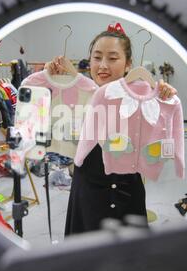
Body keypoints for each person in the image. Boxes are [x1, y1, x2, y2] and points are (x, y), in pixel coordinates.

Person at [45, 24, 177, 235]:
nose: (103, 65)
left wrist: (164, 98)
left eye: (113, 58)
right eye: (97, 58)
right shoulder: (82, 93)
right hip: (87, 189)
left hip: (126, 190)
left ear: (128, 64)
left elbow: (161, 143)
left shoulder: (142, 100)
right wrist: (56, 80)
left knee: (126, 259)